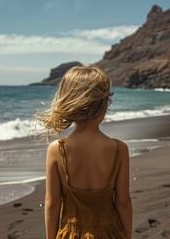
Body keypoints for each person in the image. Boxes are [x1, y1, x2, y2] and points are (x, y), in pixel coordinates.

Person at [37, 65, 132, 239]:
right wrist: (126, 235)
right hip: (109, 233)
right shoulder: (119, 150)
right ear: (104, 105)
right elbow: (123, 202)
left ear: (68, 102)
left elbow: (52, 203)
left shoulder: (57, 149)